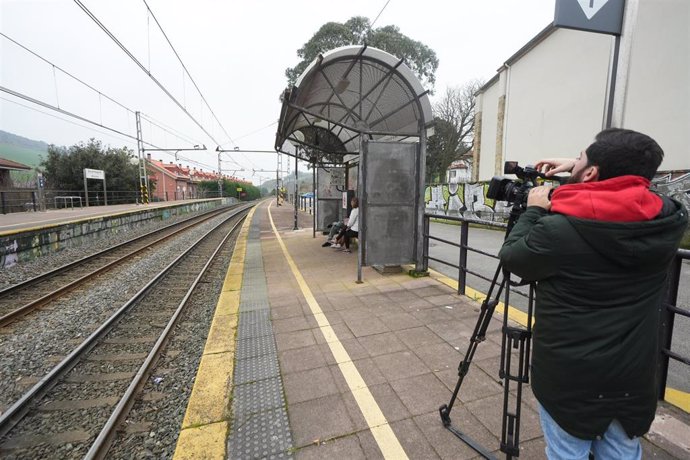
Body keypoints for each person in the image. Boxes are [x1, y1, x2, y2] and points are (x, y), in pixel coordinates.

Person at [498, 128, 687, 460]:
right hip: (632, 377)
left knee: (567, 453)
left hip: (571, 382)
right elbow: (629, 193)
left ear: (591, 173)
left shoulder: (559, 231)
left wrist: (534, 208)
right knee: (622, 454)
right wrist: (581, 166)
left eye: (581, 159)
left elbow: (513, 257)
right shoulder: (668, 221)